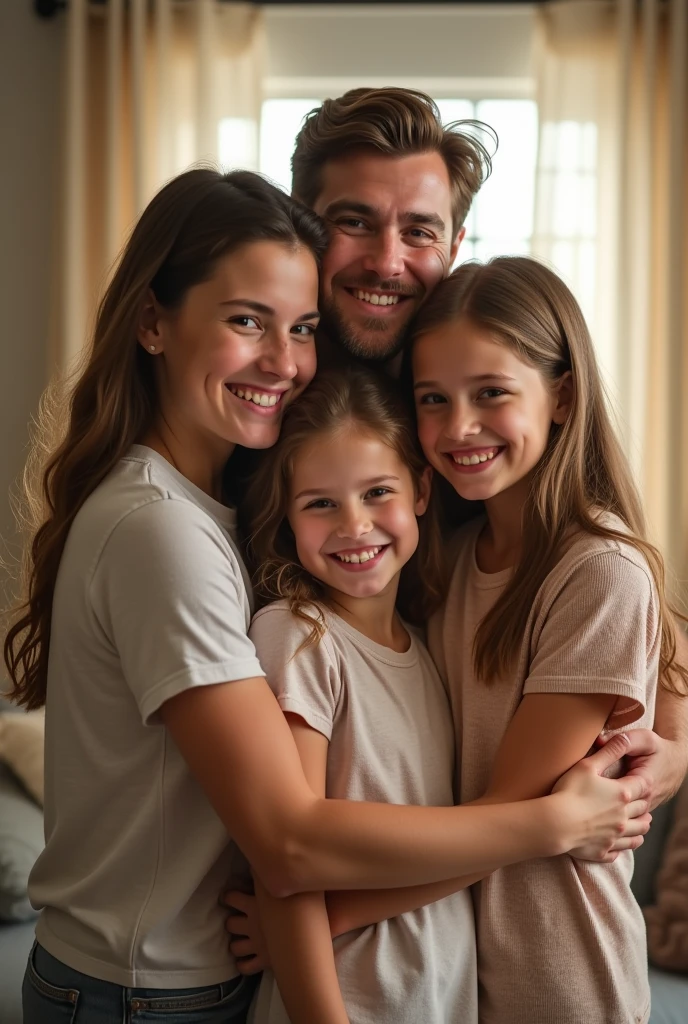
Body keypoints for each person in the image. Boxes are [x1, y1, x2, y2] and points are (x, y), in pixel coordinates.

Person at [3, 170, 643, 1024]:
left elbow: (629, 622)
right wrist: (557, 823)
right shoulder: (166, 532)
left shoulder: (233, 512)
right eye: (245, 321)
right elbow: (291, 841)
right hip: (145, 988)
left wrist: (667, 742)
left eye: (301, 328)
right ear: (152, 321)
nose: (283, 360)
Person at [289, 85, 688, 812]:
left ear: (452, 245)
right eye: (354, 222)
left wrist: (675, 742)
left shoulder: (475, 345)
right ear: (304, 230)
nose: (387, 261)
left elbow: (616, 592)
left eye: (418, 230)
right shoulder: (272, 399)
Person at [411, 256, 688, 1023]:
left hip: (561, 978)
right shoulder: (449, 558)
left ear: (562, 395)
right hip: (451, 966)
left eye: (491, 393)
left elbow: (510, 817)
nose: (458, 427)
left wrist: (318, 917)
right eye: (433, 399)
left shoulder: (596, 570)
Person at [242, 367, 479, 1024]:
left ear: (423, 490)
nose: (354, 525)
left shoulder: (429, 646)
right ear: (287, 518)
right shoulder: (298, 635)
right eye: (320, 503)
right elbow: (284, 864)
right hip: (341, 1002)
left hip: (437, 995)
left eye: (378, 492)